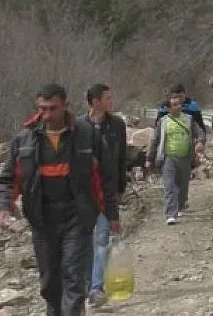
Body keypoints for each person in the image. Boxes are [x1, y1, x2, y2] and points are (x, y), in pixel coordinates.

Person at [0, 83, 121, 316]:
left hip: (77, 217)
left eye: (53, 108)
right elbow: (9, 178)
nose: (47, 115)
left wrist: (111, 214)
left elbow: (105, 179)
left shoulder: (86, 136)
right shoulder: (25, 140)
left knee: (73, 277)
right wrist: (4, 207)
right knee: (50, 282)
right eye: (43, 109)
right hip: (42, 220)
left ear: (66, 106)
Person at [80, 84, 128, 309]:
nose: (112, 101)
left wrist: (120, 189)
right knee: (84, 241)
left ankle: (96, 287)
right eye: (107, 98)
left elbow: (121, 160)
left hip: (107, 192)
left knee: (101, 239)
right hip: (82, 193)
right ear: (95, 102)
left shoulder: (117, 125)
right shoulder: (79, 127)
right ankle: (90, 282)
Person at [146, 95, 206, 225]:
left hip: (185, 157)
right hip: (169, 158)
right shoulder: (163, 122)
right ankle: (170, 214)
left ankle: (180, 204)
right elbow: (155, 141)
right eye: (174, 105)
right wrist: (149, 158)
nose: (178, 107)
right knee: (169, 186)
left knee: (183, 186)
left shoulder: (189, 120)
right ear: (168, 108)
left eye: (179, 104)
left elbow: (200, 132)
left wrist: (200, 142)